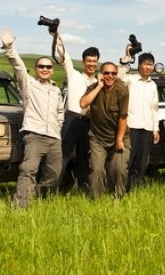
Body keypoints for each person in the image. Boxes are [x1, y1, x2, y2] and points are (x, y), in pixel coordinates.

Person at [0, 28, 64, 209]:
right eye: (41, 66)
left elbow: (60, 112)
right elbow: (18, 66)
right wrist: (9, 48)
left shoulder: (56, 89)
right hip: (34, 135)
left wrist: (58, 128)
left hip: (53, 138)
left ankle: (42, 199)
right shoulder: (29, 84)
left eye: (48, 67)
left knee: (55, 173)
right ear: (36, 69)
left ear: (52, 70)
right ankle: (20, 206)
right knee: (28, 170)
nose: (45, 69)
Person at [53, 33, 97, 192]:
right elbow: (64, 56)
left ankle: (85, 189)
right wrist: (56, 35)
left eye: (94, 61)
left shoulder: (98, 82)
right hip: (72, 119)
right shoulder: (74, 75)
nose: (91, 64)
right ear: (84, 62)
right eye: (88, 61)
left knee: (85, 157)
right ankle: (53, 189)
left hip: (88, 122)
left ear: (97, 62)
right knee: (63, 156)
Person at [80, 61, 130, 200]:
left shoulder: (122, 90)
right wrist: (99, 86)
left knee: (119, 169)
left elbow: (123, 117)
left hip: (119, 136)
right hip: (98, 138)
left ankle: (118, 198)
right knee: (96, 169)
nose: (110, 76)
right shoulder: (94, 88)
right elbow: (83, 103)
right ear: (101, 74)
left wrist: (119, 139)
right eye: (106, 73)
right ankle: (97, 199)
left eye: (113, 73)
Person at [118, 46, 159, 191]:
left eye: (150, 64)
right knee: (129, 159)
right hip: (132, 125)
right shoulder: (131, 80)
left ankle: (136, 188)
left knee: (142, 161)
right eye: (145, 64)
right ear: (139, 65)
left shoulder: (153, 85)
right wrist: (126, 58)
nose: (148, 67)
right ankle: (123, 188)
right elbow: (119, 77)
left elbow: (155, 108)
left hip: (147, 127)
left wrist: (156, 129)